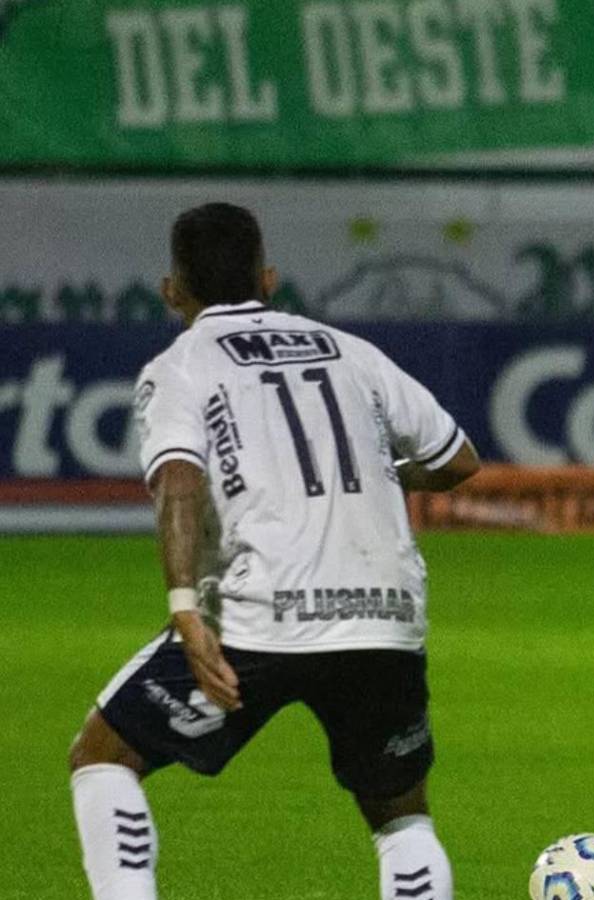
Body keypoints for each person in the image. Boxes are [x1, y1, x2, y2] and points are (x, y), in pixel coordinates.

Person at [67, 202, 479, 900]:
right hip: (383, 614)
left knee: (103, 756)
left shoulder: (182, 365)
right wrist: (374, 472)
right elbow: (457, 459)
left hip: (261, 617)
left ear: (172, 290)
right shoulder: (353, 352)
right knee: (401, 816)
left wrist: (185, 608)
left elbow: (178, 481)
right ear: (268, 279)